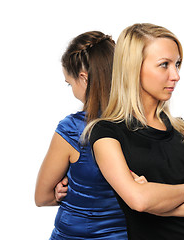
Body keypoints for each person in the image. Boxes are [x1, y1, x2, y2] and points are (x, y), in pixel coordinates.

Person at [85, 23, 184, 240]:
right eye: (164, 65)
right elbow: (140, 200)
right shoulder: (106, 133)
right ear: (133, 68)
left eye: (177, 64)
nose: (176, 75)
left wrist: (161, 206)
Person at [34, 31, 129, 239]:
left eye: (70, 83)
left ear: (84, 79)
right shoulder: (139, 123)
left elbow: (41, 197)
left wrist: (61, 191)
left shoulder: (73, 129)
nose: (72, 89)